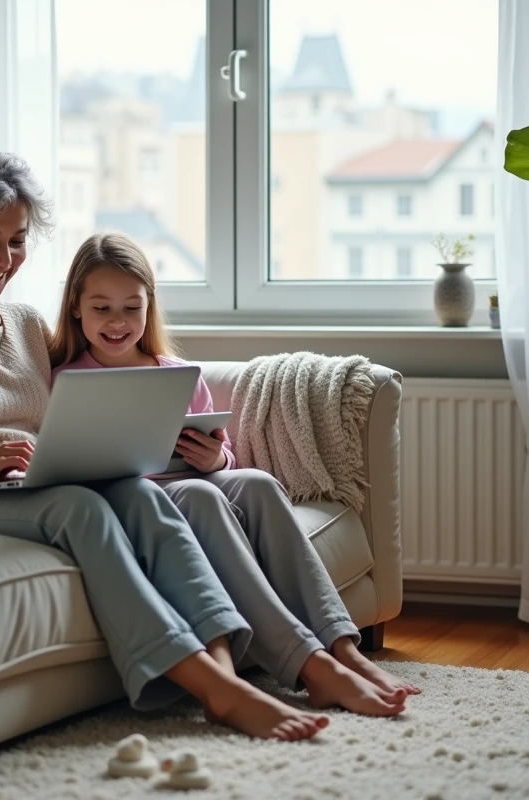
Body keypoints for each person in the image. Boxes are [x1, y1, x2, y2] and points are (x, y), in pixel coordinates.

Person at [0, 144, 329, 741]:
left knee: (139, 494)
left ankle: (226, 667)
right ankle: (215, 690)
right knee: (81, 508)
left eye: (18, 239)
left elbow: (77, 402)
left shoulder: (23, 324)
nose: (6, 258)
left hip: (25, 491)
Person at [49, 232, 420, 714]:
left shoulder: (179, 373)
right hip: (138, 502)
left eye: (131, 307)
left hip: (189, 480)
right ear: (76, 307)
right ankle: (309, 664)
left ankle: (346, 650)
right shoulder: (64, 379)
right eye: (102, 308)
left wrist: (217, 461)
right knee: (201, 498)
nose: (118, 322)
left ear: (149, 306)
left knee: (259, 483)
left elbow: (225, 461)